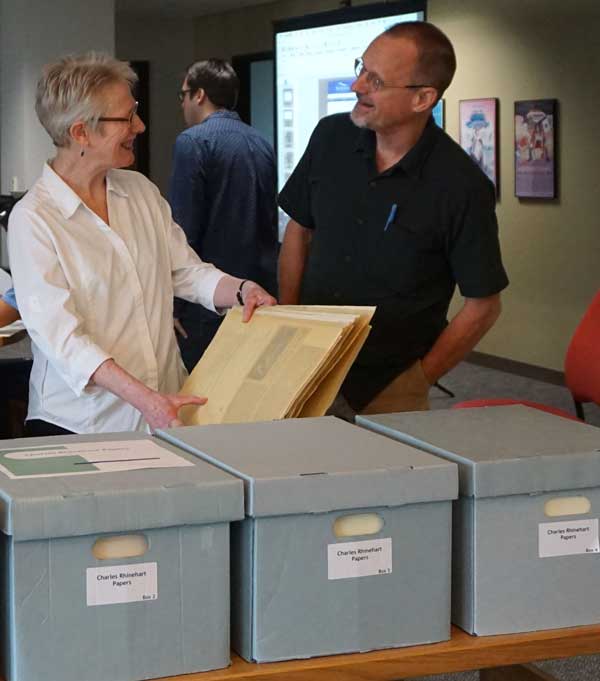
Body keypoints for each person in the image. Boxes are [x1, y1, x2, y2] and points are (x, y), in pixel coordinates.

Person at [8, 53, 276, 437]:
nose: (141, 125)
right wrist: (145, 398)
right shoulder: (33, 219)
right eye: (127, 117)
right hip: (83, 426)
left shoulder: (139, 191)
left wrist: (241, 289)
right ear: (81, 132)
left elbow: (185, 271)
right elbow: (63, 339)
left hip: (165, 411)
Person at [278, 21, 508, 415]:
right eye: (361, 69)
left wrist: (416, 381)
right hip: (307, 361)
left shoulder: (460, 185)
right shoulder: (330, 138)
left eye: (377, 81)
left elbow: (483, 305)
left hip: (385, 383)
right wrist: (286, 324)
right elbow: (299, 230)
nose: (357, 86)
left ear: (423, 99)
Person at [169, 58, 278, 371]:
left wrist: (173, 304)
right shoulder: (262, 142)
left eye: (183, 95)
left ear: (199, 95)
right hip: (258, 294)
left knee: (206, 398)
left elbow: (182, 229)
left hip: (207, 301)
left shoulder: (192, 142)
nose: (183, 104)